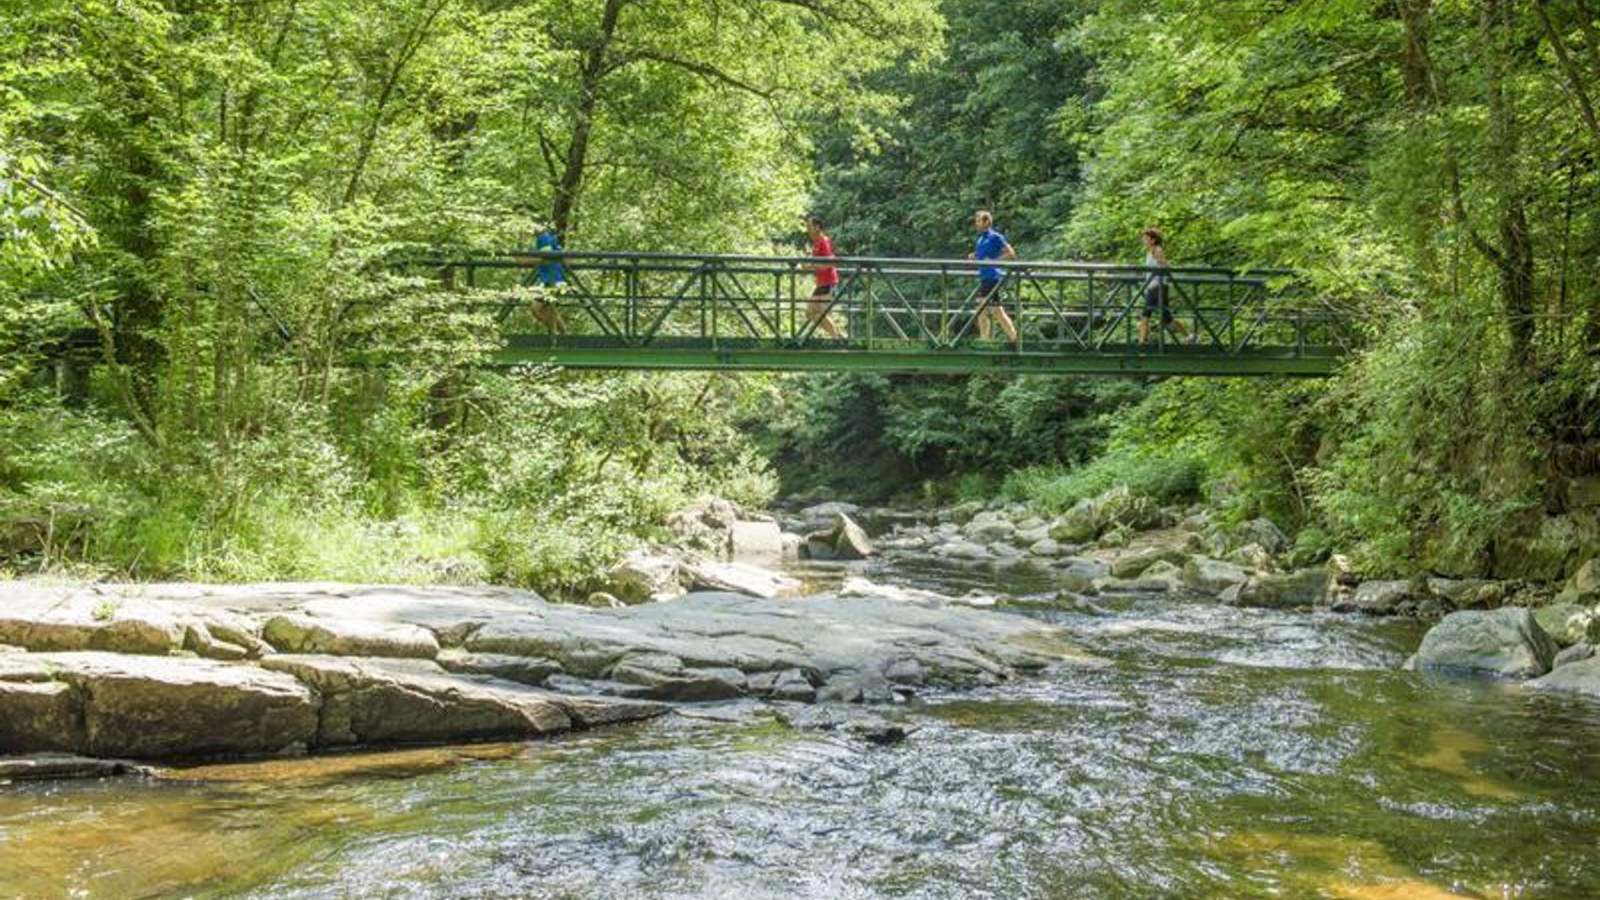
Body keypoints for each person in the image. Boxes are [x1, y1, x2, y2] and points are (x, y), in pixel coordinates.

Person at [966, 210, 1018, 345]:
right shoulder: (980, 239)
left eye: (978, 221)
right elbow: (981, 256)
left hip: (992, 277)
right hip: (985, 277)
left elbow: (1011, 254)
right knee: (997, 312)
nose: (976, 224)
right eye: (976, 221)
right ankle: (1014, 338)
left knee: (981, 308)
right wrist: (974, 257)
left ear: (987, 222)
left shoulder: (995, 237)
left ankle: (985, 339)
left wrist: (994, 260)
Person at [1138, 228, 1192, 346]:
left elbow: (1165, 266)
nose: (1144, 241)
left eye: (1146, 239)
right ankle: (1142, 341)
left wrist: (1160, 270)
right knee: (1153, 317)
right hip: (1152, 288)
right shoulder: (1150, 252)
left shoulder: (1157, 250)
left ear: (1153, 240)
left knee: (1155, 317)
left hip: (1159, 288)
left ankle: (1142, 342)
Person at [520, 227, 568, 333]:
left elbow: (545, 256)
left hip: (552, 282)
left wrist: (528, 255)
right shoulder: (548, 239)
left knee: (535, 308)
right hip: (554, 281)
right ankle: (563, 333)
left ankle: (557, 333)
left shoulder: (544, 239)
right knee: (549, 309)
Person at [805, 216, 844, 339]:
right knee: (810, 313)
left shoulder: (823, 241)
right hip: (821, 283)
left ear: (817, 227)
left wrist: (813, 264)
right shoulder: (816, 243)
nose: (807, 229)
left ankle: (836, 338)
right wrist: (807, 266)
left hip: (829, 282)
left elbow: (831, 262)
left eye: (809, 226)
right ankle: (838, 335)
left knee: (822, 312)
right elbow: (817, 264)